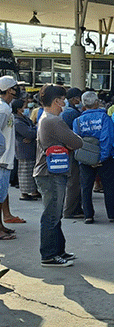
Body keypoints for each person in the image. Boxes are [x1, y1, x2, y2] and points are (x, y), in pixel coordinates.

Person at [34, 85, 83, 266]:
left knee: (54, 213)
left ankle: (58, 250)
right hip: (51, 174)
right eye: (63, 99)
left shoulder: (45, 118)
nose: (64, 103)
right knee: (52, 215)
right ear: (56, 101)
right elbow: (77, 142)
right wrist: (69, 143)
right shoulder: (54, 121)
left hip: (49, 173)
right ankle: (49, 255)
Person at [73, 91, 114, 224]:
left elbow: (76, 140)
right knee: (109, 187)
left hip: (85, 158)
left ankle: (88, 215)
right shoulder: (104, 118)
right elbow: (107, 138)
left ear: (83, 104)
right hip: (105, 159)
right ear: (97, 102)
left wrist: (85, 158)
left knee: (86, 187)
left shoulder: (77, 121)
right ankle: (112, 214)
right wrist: (101, 157)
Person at [0, 76, 24, 239]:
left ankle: (2, 225)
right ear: (10, 90)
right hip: (2, 159)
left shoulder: (5, 107)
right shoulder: (3, 109)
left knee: (2, 194)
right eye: (16, 87)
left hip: (5, 158)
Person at [61, 87, 84, 218]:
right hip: (71, 150)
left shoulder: (68, 111)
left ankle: (74, 208)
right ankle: (70, 210)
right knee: (74, 182)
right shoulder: (71, 113)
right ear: (75, 99)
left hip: (67, 149)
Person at [13, 99, 39, 201]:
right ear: (19, 109)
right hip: (24, 150)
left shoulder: (24, 119)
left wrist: (33, 131)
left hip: (30, 149)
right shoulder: (17, 122)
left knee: (30, 172)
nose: (27, 108)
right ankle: (24, 193)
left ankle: (33, 191)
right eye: (25, 107)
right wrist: (33, 132)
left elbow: (35, 128)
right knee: (25, 173)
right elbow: (30, 133)